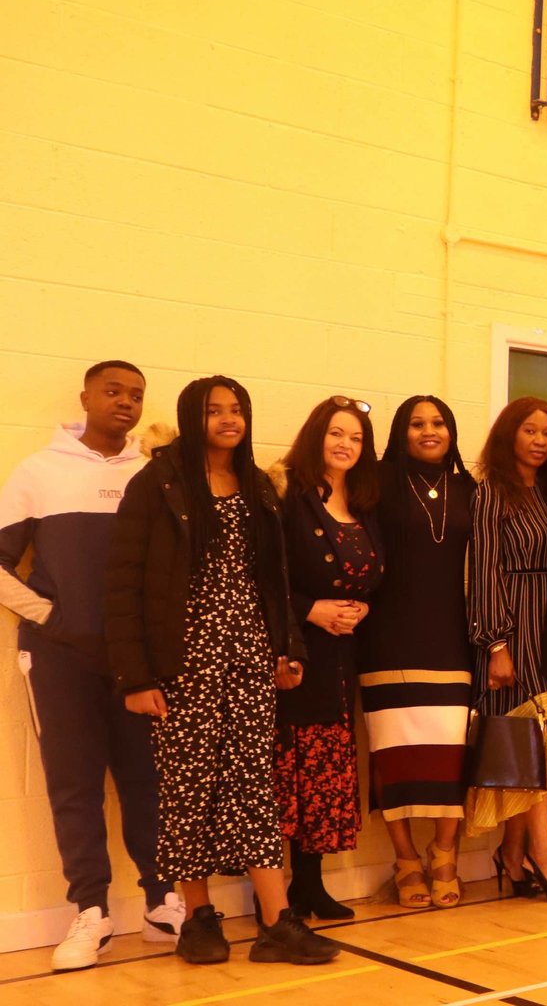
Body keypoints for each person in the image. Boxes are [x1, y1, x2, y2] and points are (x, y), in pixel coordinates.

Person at [109, 376, 338, 966]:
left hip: (249, 656)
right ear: (193, 418)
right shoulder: (156, 484)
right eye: (214, 411)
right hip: (182, 661)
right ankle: (199, 918)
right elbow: (124, 586)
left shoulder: (260, 487)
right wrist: (136, 678)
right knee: (189, 790)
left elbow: (276, 580)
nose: (228, 420)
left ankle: (276, 923)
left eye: (237, 410)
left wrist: (288, 649)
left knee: (253, 788)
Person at [0, 360, 183, 971]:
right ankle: (90, 913)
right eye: (113, 391)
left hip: (139, 662)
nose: (125, 403)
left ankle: (163, 903)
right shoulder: (38, 471)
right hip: (59, 659)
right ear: (85, 397)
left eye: (135, 395)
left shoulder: (153, 475)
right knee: (73, 785)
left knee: (148, 781)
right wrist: (50, 617)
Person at [358, 396, 475, 911]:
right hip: (386, 639)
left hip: (453, 637)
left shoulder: (471, 489)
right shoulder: (376, 484)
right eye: (417, 424)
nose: (429, 432)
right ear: (400, 433)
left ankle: (445, 853)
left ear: (451, 432)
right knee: (393, 754)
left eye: (438, 423)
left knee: (451, 753)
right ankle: (405, 859)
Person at [468, 397, 547, 902]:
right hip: (512, 630)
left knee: (542, 746)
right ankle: (543, 852)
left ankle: (511, 856)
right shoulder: (492, 491)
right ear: (508, 434)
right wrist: (496, 642)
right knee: (528, 743)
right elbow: (485, 568)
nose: (539, 441)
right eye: (530, 431)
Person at [275, 397, 383, 920]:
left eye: (356, 438)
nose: (345, 444)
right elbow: (263, 582)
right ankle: (277, 894)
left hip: (343, 658)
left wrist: (361, 605)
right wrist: (310, 611)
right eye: (336, 433)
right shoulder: (286, 496)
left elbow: (373, 579)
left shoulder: (363, 504)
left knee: (325, 777)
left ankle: (310, 887)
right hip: (296, 658)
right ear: (316, 434)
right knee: (291, 777)